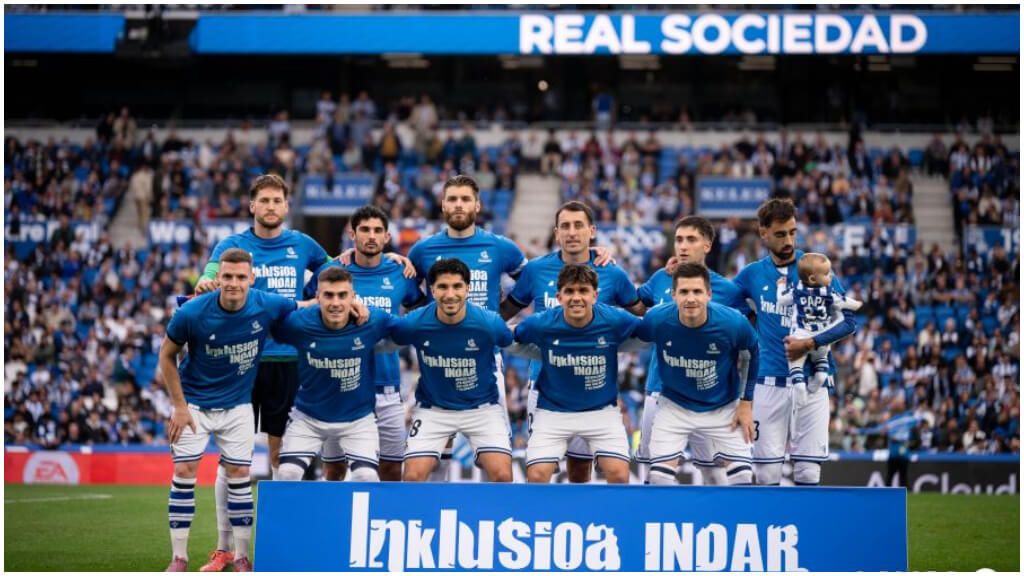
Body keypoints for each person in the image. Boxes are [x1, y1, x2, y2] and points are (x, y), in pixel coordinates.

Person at [192, 173, 329, 572]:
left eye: (277, 200)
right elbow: (210, 272)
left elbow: (337, 274)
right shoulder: (232, 245)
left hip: (287, 363)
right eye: (263, 200)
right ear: (252, 206)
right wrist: (205, 280)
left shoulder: (303, 245)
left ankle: (276, 545)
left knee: (280, 457)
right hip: (239, 363)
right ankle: (224, 549)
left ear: (286, 206)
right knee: (231, 460)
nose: (270, 207)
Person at [160, 249, 297, 572]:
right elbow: (166, 355)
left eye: (240, 277)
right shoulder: (192, 312)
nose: (233, 283)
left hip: (237, 406)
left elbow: (304, 307)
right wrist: (179, 407)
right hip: (194, 405)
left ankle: (241, 557)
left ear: (252, 278)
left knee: (239, 476)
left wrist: (350, 305)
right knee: (184, 474)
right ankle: (179, 558)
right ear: (216, 278)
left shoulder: (266, 302)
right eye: (227, 277)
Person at [499, 201, 639, 482]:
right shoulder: (537, 269)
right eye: (565, 226)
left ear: (592, 231)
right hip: (545, 385)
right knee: (540, 473)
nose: (572, 232)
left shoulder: (612, 272)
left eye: (579, 225)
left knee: (579, 469)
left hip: (594, 387)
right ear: (557, 232)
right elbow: (504, 313)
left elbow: (642, 315)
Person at [405, 174, 528, 479]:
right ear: (443, 204)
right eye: (453, 199)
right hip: (438, 358)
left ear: (477, 204)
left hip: (485, 359)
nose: (459, 205)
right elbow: (409, 294)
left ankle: (487, 518)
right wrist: (430, 321)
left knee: (494, 461)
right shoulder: (422, 251)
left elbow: (530, 281)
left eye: (465, 199)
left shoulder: (500, 247)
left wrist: (501, 315)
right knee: (437, 455)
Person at [733, 199, 856, 486]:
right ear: (763, 233)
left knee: (808, 473)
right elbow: (727, 307)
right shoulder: (751, 274)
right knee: (766, 475)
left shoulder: (815, 268)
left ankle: (807, 532)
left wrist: (811, 343)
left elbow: (849, 321)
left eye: (792, 232)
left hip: (813, 383)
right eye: (780, 234)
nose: (788, 240)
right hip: (768, 384)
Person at [305, 206, 426, 481]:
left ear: (386, 237)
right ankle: (336, 524)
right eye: (365, 230)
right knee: (335, 469)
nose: (371, 236)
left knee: (392, 469)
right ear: (352, 233)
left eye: (377, 231)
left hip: (387, 386)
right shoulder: (332, 271)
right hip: (339, 386)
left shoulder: (400, 273)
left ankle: (384, 523)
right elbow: (305, 309)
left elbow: (421, 315)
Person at [635, 216, 746, 485]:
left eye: (691, 240)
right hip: (659, 390)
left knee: (715, 473)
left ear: (707, 245)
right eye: (679, 240)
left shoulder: (729, 292)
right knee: (654, 474)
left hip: (710, 399)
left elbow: (744, 342)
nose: (683, 247)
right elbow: (635, 309)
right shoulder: (662, 279)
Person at [390, 258, 514, 483]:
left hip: (482, 409)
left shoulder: (489, 323)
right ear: (432, 290)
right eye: (443, 287)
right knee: (412, 478)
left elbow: (510, 340)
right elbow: (385, 333)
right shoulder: (415, 323)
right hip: (433, 410)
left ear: (468, 289)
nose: (450, 294)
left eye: (457, 286)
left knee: (503, 477)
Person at [513, 265, 639, 484]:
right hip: (552, 412)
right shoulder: (541, 323)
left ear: (595, 295)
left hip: (602, 412)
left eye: (583, 291)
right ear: (559, 296)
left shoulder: (615, 319)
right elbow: (510, 336)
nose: (576, 298)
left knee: (619, 475)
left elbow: (650, 331)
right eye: (570, 292)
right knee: (536, 476)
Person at [273, 267, 397, 484]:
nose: (336, 303)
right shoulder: (298, 322)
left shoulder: (373, 320)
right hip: (308, 417)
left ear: (353, 297)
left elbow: (412, 329)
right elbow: (265, 321)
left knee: (366, 477)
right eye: (328, 295)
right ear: (317, 297)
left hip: (358, 418)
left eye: (343, 295)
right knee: (287, 474)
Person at [777, 252, 863, 392]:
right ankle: (821, 375)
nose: (831, 276)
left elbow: (781, 300)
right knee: (821, 361)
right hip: (821, 337)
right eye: (827, 273)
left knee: (795, 365)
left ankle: (799, 384)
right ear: (812, 278)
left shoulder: (797, 289)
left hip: (801, 335)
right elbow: (845, 302)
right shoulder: (829, 292)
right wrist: (858, 304)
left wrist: (781, 286)